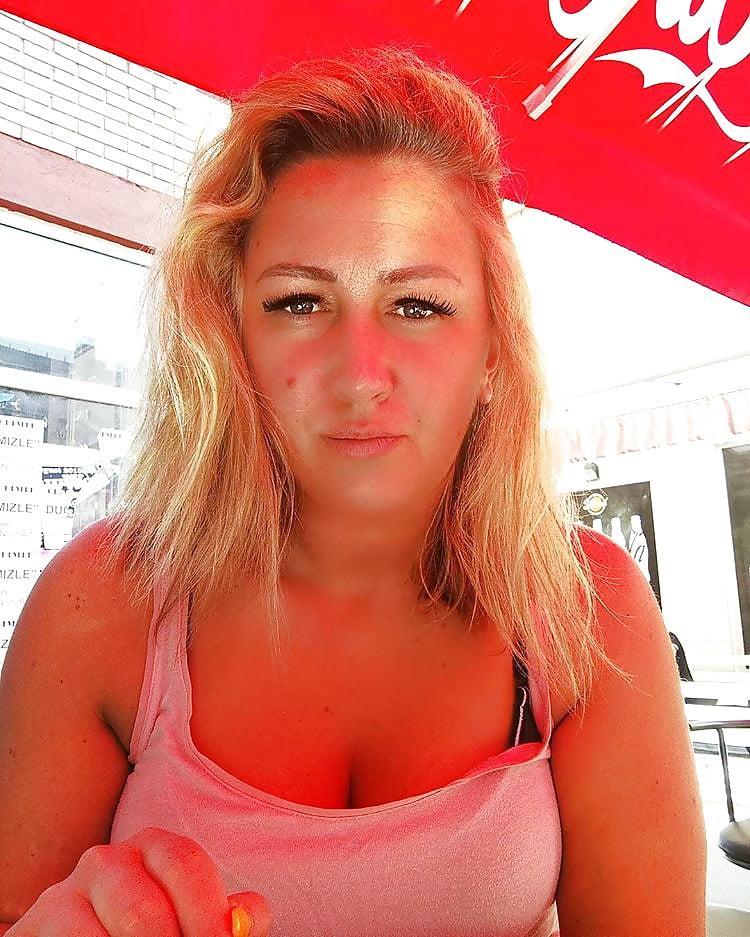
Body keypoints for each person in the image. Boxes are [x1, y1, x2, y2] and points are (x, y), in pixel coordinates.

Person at [0, 45, 707, 937]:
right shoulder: (102, 603)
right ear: (232, 338)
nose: (361, 374)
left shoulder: (587, 612)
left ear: (493, 352)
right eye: (299, 301)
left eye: (419, 305)